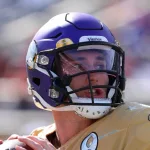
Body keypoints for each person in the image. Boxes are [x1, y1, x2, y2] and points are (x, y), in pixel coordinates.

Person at [1, 12, 150, 150]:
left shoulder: (139, 124)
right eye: (78, 65)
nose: (96, 75)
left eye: (100, 64)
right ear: (45, 72)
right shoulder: (34, 141)